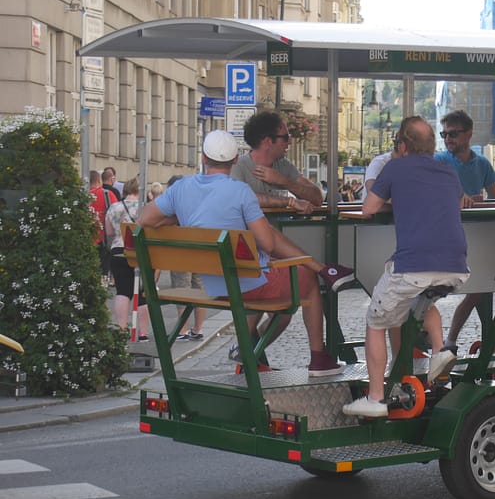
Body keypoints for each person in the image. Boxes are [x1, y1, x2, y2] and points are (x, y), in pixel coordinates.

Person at [138, 130, 353, 376]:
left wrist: (180, 217)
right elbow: (267, 243)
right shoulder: (240, 192)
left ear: (203, 158)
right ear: (235, 161)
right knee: (307, 279)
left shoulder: (182, 188)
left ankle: (251, 352)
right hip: (246, 283)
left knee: (277, 285)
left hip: (215, 284)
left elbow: (145, 219)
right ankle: (319, 358)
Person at [345, 116, 470, 418]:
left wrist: (396, 200)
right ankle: (440, 351)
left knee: (376, 321)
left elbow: (369, 208)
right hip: (456, 265)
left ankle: (376, 398)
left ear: (402, 145)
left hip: (414, 264)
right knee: (421, 299)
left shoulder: (395, 167)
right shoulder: (448, 170)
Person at [435, 110, 495, 352]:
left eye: (453, 134)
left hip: (479, 236)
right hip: (447, 236)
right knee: (435, 291)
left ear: (468, 134)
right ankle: (440, 338)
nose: (448, 139)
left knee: (481, 290)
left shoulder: (482, 163)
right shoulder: (439, 161)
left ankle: (455, 340)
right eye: (444, 134)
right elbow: (431, 196)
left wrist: (480, 202)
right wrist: (458, 198)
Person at [232, 111, 323, 215]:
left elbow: (317, 199)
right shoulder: (238, 166)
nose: (289, 142)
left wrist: (284, 181)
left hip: (281, 230)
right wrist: (290, 202)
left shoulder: (284, 165)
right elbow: (242, 198)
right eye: (285, 138)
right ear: (268, 141)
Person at [105, 177, 150, 339]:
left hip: (119, 250)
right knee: (144, 293)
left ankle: (122, 329)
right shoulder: (146, 208)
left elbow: (109, 232)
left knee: (123, 291)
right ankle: (143, 332)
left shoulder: (114, 207)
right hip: (140, 252)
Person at [164, 174, 206, 341]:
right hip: (201, 253)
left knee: (182, 290)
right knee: (199, 290)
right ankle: (198, 329)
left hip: (181, 253)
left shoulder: (174, 207)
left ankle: (183, 330)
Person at [89, 170, 119, 287]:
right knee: (104, 265)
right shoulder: (107, 194)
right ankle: (103, 283)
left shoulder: (81, 195)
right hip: (104, 237)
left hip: (86, 236)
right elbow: (117, 213)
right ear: (98, 180)